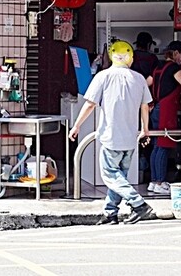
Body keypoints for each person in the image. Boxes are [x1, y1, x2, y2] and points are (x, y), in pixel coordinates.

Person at [68, 40, 157, 225]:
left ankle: (138, 204)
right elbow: (145, 107)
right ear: (130, 59)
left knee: (110, 175)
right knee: (119, 177)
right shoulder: (139, 78)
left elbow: (90, 104)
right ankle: (110, 213)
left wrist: (76, 125)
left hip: (110, 136)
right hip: (130, 138)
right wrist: (145, 130)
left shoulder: (103, 76)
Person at [148, 40, 181, 194]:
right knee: (163, 146)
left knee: (157, 145)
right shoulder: (174, 68)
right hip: (166, 110)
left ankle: (153, 181)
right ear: (176, 53)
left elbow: (146, 83)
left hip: (156, 108)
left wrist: (149, 101)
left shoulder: (157, 67)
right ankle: (160, 181)